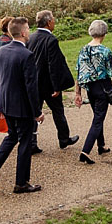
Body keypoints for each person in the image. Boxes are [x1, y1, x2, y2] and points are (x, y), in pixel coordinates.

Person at [0, 18, 44, 194]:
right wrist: (37, 112)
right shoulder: (27, 55)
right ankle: (21, 182)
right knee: (24, 141)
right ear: (23, 33)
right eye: (28, 29)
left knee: (12, 136)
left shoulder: (1, 51)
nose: (30, 32)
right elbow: (31, 87)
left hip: (6, 102)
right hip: (22, 106)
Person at [73, 20, 112, 163]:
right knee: (98, 120)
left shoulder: (83, 50)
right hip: (103, 89)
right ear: (104, 33)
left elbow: (79, 73)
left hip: (90, 89)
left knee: (98, 116)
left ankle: (101, 145)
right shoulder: (105, 51)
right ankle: (85, 151)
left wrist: (77, 93)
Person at [28, 10, 79, 149]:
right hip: (49, 84)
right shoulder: (51, 40)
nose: (54, 22)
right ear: (49, 22)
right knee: (58, 111)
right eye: (53, 20)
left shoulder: (31, 38)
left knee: (34, 112)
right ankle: (63, 138)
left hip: (34, 82)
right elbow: (53, 64)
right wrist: (57, 86)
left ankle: (31, 142)